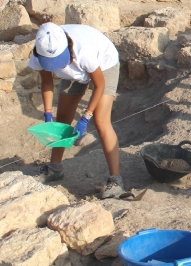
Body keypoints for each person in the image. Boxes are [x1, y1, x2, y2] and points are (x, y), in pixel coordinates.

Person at [30, 23, 124, 199]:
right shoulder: (40, 51)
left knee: (101, 121)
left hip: (103, 65)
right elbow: (47, 82)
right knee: (62, 119)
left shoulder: (84, 50)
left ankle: (116, 180)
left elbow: (99, 85)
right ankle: (55, 168)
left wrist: (85, 117)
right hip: (73, 72)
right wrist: (48, 114)